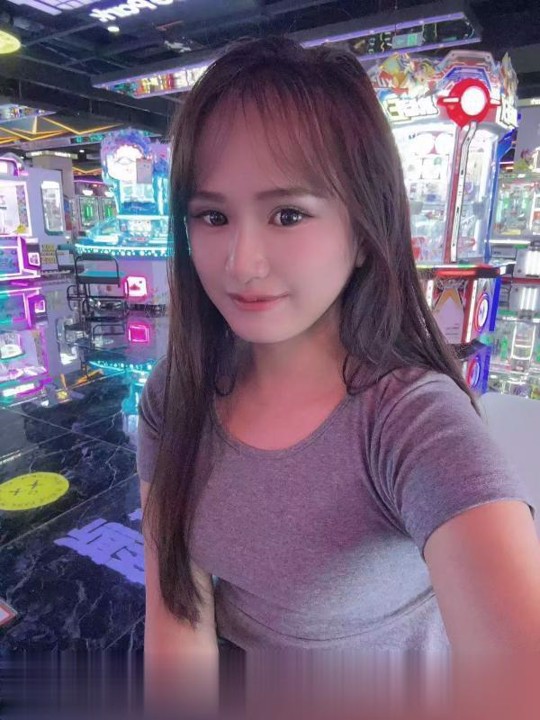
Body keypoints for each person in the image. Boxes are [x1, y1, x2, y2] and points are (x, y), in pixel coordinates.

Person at [137, 35, 540, 702]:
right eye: (212, 215)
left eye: (287, 214)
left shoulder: (409, 421)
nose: (241, 263)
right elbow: (177, 613)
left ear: (363, 231)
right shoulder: (176, 393)